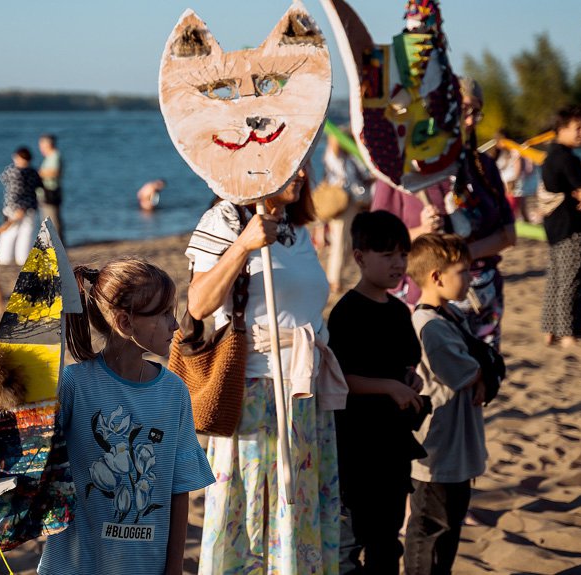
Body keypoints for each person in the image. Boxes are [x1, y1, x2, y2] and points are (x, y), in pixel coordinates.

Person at [187, 168, 341, 574]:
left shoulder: (294, 227)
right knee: (253, 516)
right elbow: (199, 304)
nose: (304, 171)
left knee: (297, 510)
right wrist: (244, 245)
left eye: (306, 158)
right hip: (258, 392)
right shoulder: (225, 218)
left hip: (304, 394)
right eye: (291, 161)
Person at [38, 258, 215, 575]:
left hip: (145, 566)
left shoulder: (173, 392)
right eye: (164, 314)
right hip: (76, 565)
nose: (175, 325)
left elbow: (179, 489)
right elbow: (37, 463)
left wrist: (173, 569)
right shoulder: (74, 385)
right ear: (125, 323)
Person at [371, 76, 516, 349]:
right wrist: (422, 232)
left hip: (481, 296)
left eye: (476, 112)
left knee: (481, 377)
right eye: (464, 110)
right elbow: (375, 238)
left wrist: (461, 257)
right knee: (430, 383)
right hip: (423, 297)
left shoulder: (483, 166)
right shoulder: (403, 167)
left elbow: (508, 234)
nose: (471, 120)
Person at [327, 210, 429, 575]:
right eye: (387, 256)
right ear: (359, 257)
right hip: (358, 444)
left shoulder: (400, 311)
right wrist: (388, 386)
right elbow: (341, 378)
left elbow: (407, 365)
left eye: (403, 254)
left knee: (387, 539)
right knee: (354, 538)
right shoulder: (347, 313)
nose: (398, 264)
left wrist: (409, 380)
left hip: (393, 443)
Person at [405, 233, 488, 575]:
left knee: (448, 533)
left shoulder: (449, 316)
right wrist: (484, 370)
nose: (470, 278)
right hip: (437, 454)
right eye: (463, 271)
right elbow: (471, 374)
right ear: (437, 277)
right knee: (430, 536)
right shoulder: (430, 326)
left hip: (457, 448)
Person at [540, 107, 581, 348]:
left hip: (554, 227)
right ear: (561, 130)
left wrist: (580, 193)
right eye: (577, 128)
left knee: (556, 278)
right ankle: (567, 334)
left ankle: (550, 330)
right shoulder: (567, 159)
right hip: (570, 226)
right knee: (571, 280)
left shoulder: (550, 157)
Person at [315, 130, 371, 293]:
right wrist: (340, 135)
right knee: (340, 242)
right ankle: (334, 281)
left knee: (349, 244)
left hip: (355, 204)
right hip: (342, 205)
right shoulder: (334, 158)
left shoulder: (351, 158)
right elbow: (334, 139)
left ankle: (337, 278)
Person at [0, 147, 41, 266]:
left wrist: (18, 208)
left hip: (14, 208)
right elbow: (39, 186)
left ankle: (4, 260)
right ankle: (22, 260)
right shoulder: (32, 171)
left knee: (10, 233)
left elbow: (11, 188)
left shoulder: (13, 171)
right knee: (25, 233)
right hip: (29, 206)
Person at [38, 133, 64, 239]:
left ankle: (57, 247)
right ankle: (52, 245)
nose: (40, 148)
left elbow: (55, 172)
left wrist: (38, 174)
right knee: (49, 221)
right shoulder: (50, 157)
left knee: (52, 221)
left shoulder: (55, 155)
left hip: (50, 193)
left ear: (47, 144)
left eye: (41, 144)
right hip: (47, 193)